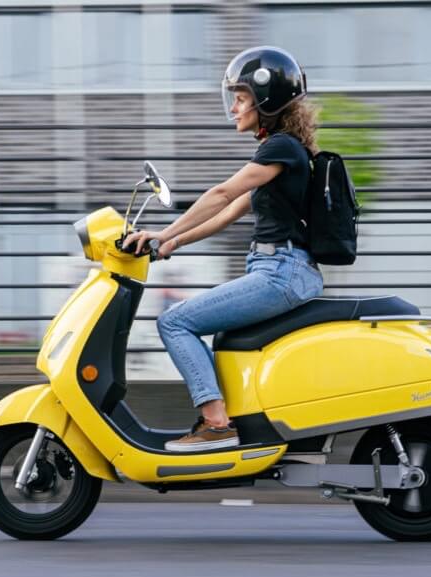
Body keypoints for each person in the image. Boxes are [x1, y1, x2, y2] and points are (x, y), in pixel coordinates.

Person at [124, 46, 324, 452]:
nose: (234, 107)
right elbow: (231, 210)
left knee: (175, 322)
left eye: (241, 97)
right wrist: (174, 242)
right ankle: (240, 421)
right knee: (219, 339)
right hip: (278, 269)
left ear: (264, 100)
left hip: (280, 272)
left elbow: (221, 193)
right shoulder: (283, 153)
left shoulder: (281, 148)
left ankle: (217, 425)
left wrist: (162, 233)